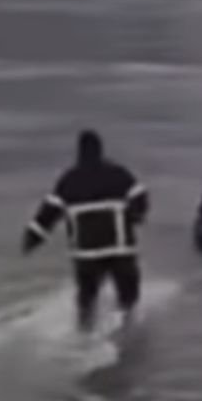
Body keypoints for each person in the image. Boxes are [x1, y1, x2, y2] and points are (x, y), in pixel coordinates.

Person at [21, 129, 149, 335]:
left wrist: (32, 239)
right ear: (101, 149)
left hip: (86, 254)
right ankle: (129, 338)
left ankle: (85, 339)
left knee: (87, 299)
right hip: (120, 248)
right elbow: (140, 197)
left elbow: (48, 215)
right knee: (128, 297)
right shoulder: (118, 174)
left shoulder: (69, 180)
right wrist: (136, 217)